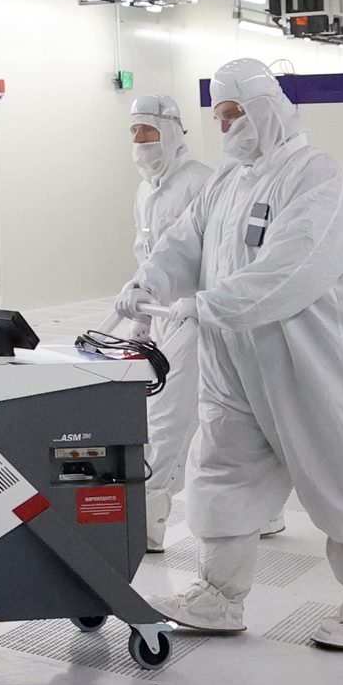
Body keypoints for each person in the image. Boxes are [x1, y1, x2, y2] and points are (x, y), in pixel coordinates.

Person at [129, 58, 343, 648]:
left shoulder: (318, 180)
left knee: (340, 479)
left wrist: (206, 306)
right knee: (223, 471)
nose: (226, 126)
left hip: (311, 366)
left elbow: (291, 271)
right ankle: (219, 596)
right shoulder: (227, 184)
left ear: (267, 110)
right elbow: (186, 240)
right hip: (234, 362)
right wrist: (151, 281)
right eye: (219, 116)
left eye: (234, 114)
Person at [116, 95, 217, 553]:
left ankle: (146, 525)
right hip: (161, 316)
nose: (139, 140)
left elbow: (215, 255)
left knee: (169, 417)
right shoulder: (146, 190)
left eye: (148, 131)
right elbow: (149, 254)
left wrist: (201, 304)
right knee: (184, 416)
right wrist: (141, 312)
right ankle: (264, 514)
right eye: (134, 131)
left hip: (199, 314)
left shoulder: (201, 183)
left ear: (173, 132)